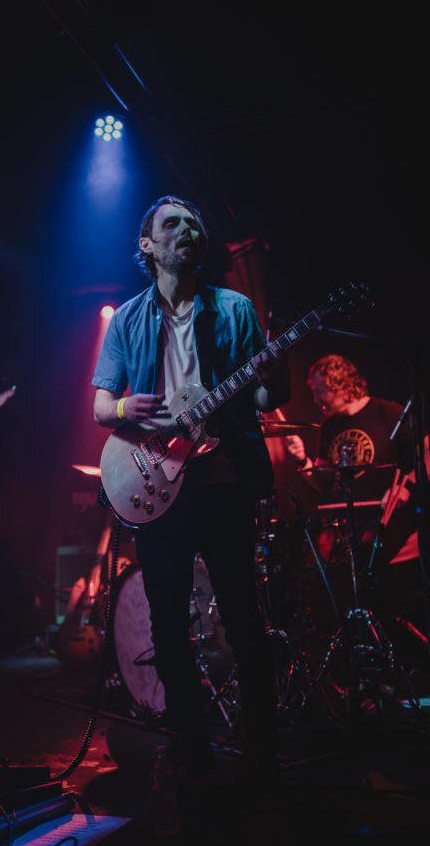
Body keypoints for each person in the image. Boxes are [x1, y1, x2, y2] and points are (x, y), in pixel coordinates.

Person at [91, 194, 291, 801]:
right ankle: (193, 753)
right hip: (157, 485)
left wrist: (273, 381)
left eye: (193, 223)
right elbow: (100, 406)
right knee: (168, 628)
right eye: (172, 224)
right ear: (148, 246)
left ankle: (262, 755)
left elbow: (263, 399)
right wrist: (126, 407)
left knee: (244, 621)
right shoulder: (128, 319)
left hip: (224, 483)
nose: (187, 230)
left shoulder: (234, 308)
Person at [286, 353, 430, 637]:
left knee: (382, 593)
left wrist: (405, 488)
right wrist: (303, 460)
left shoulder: (387, 412)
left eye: (319, 392)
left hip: (390, 526)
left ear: (339, 385)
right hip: (351, 530)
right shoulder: (330, 425)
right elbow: (324, 484)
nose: (316, 400)